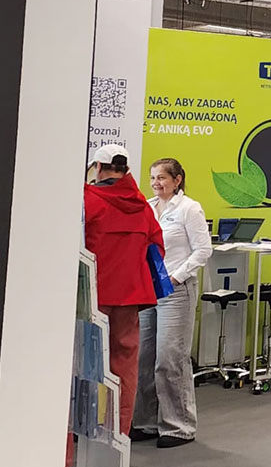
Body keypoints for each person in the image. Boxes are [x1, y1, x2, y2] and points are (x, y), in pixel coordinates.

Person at [83, 145, 164, 438]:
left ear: (98, 168)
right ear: (126, 170)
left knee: (82, 367)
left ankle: (78, 438)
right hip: (130, 299)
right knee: (125, 369)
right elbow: (157, 249)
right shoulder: (143, 206)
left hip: (91, 297)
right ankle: (118, 435)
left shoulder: (86, 200)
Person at [131, 158, 213, 449]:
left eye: (162, 178)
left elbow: (203, 250)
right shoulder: (147, 207)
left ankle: (179, 426)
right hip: (148, 290)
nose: (156, 183)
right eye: (153, 177)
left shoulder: (189, 209)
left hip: (176, 290)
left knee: (169, 358)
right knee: (143, 358)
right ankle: (145, 422)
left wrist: (177, 277)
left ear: (177, 180)